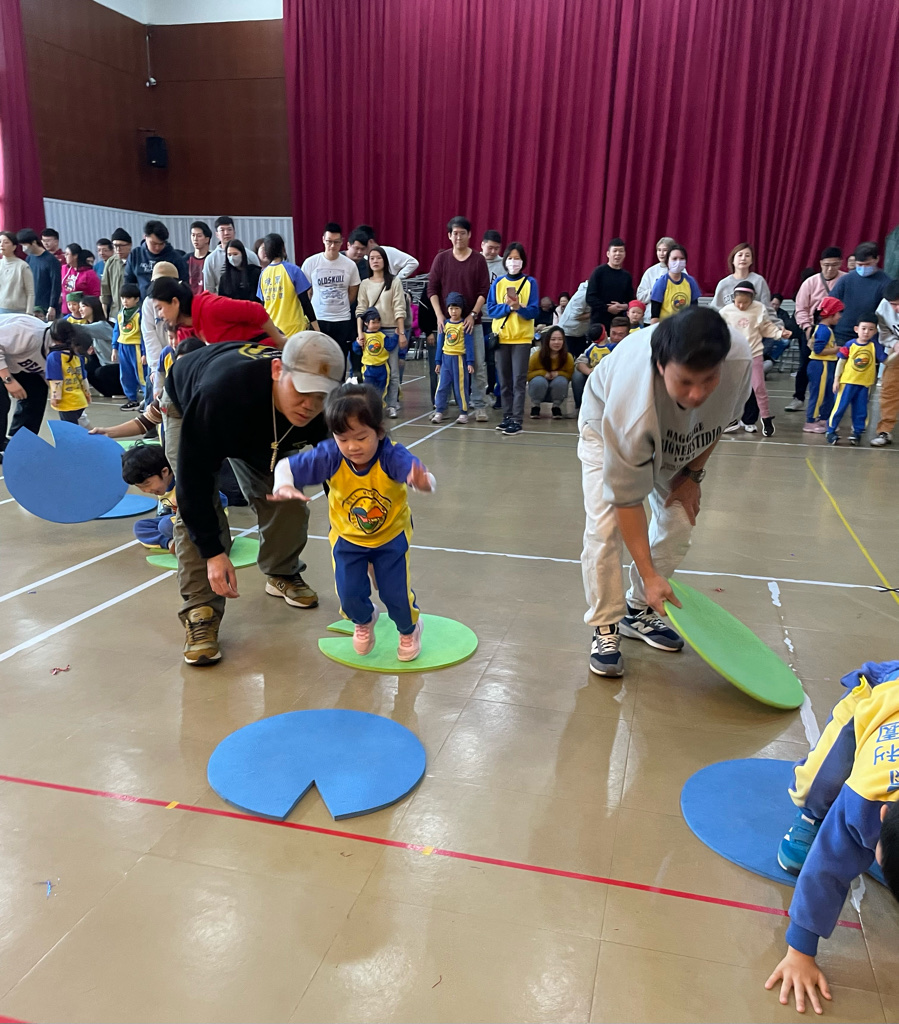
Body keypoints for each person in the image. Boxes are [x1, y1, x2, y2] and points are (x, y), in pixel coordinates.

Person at [579, 306, 751, 677]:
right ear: (661, 366)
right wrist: (649, 572)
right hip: (606, 428)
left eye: (709, 380)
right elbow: (626, 500)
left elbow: (717, 422)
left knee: (680, 521)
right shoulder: (631, 403)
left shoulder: (737, 359)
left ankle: (638, 609)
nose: (698, 393)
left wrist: (692, 476)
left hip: (680, 438)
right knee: (605, 528)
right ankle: (606, 624)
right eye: (685, 382)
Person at [161, 333, 345, 665]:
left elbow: (340, 472)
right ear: (278, 371)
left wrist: (354, 530)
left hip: (269, 430)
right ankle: (200, 612)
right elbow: (193, 484)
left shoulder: (325, 411)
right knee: (196, 512)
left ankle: (281, 571)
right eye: (302, 391)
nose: (310, 405)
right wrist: (214, 553)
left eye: (321, 396)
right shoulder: (219, 396)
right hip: (190, 404)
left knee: (286, 499)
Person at [764, 659, 899, 1015]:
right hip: (879, 694)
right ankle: (810, 815)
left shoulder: (881, 813)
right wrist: (800, 951)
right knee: (820, 781)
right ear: (882, 816)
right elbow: (825, 869)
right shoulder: (863, 800)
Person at [271, 383, 434, 661]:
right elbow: (286, 466)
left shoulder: (391, 455)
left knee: (395, 594)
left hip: (390, 536)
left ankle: (409, 629)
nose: (352, 447)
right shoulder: (331, 455)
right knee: (348, 594)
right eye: (342, 438)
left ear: (379, 431)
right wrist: (283, 485)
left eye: (361, 437)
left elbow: (423, 477)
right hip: (347, 538)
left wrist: (423, 482)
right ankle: (364, 619)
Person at [427, 216, 491, 421]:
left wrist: (473, 314)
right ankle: (442, 406)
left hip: (473, 324)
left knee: (477, 365)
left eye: (462, 233)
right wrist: (439, 315)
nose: (458, 237)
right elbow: (432, 289)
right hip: (447, 325)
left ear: (469, 235)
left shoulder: (478, 260)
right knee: (444, 367)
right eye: (455, 233)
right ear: (449, 235)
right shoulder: (441, 259)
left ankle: (479, 405)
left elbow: (484, 290)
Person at [717, 281, 785, 437]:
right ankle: (731, 420)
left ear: (752, 299)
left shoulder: (759, 309)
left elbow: (766, 327)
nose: (741, 306)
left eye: (745, 302)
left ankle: (765, 418)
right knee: (732, 389)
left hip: (754, 354)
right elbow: (719, 331)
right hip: (734, 357)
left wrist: (779, 333)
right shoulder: (726, 312)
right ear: (733, 299)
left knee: (759, 387)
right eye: (738, 302)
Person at [486, 242, 539, 436]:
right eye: (510, 258)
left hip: (521, 339)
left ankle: (517, 419)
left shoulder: (530, 282)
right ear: (505, 260)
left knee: (518, 380)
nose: (513, 262)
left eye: (517, 259)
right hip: (502, 338)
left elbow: (534, 311)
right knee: (504, 381)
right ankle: (507, 416)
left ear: (523, 261)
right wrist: (508, 307)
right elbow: (491, 309)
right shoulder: (498, 283)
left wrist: (519, 308)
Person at [787, 247, 846, 413]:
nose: (830, 269)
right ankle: (798, 398)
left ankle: (833, 401)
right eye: (826, 265)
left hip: (838, 329)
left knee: (837, 365)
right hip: (814, 328)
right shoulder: (810, 282)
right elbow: (801, 308)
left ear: (840, 263)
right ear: (820, 263)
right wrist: (807, 328)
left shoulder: (846, 280)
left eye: (834, 265)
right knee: (805, 365)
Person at [149, 278, 283, 347]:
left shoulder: (211, 307)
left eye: (160, 308)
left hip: (263, 353)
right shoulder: (182, 333)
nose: (159, 315)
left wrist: (279, 340)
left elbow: (256, 311)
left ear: (175, 302)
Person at [301, 223, 361, 369]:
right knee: (319, 360)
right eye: (329, 241)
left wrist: (340, 305)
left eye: (336, 242)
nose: (332, 246)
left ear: (342, 242)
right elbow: (306, 292)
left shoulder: (350, 265)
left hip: (342, 320)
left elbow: (353, 292)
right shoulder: (311, 263)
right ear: (323, 240)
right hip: (319, 319)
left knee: (339, 361)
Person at [355, 246, 407, 416]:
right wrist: (360, 333)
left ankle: (392, 404)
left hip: (390, 331)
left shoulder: (394, 281)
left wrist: (401, 333)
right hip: (370, 333)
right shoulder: (365, 284)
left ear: (385, 260)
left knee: (393, 371)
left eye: (378, 258)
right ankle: (372, 406)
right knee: (370, 371)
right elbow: (360, 310)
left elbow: (399, 307)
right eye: (372, 258)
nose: (375, 261)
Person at [826, 313, 884, 445]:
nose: (866, 332)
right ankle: (831, 431)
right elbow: (841, 362)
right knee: (839, 407)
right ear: (856, 329)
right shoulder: (850, 345)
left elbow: (885, 360)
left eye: (870, 329)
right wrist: (836, 379)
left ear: (875, 331)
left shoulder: (874, 346)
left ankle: (857, 432)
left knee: (861, 410)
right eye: (864, 328)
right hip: (847, 382)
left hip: (865, 384)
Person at [0, 313, 50, 458]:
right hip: (4, 357)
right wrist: (9, 381)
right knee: (1, 400)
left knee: (37, 390)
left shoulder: (65, 354)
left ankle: (20, 441)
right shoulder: (29, 333)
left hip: (12, 359)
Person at [830, 242, 892, 345]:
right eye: (859, 265)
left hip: (869, 338)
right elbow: (831, 303)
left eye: (867, 264)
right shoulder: (846, 279)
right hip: (841, 335)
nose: (863, 268)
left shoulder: (886, 283)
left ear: (877, 259)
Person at [258, 233, 317, 340]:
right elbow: (305, 303)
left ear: (267, 251)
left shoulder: (263, 275)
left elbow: (263, 306)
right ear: (283, 248)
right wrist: (317, 329)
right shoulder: (293, 270)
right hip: (294, 331)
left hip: (274, 332)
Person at [431, 291, 473, 423]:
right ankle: (439, 410)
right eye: (451, 308)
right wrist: (438, 361)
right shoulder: (445, 324)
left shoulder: (464, 325)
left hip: (459, 359)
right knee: (442, 386)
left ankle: (463, 412)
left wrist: (470, 362)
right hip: (446, 359)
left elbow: (469, 345)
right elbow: (440, 344)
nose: (453, 311)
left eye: (456, 308)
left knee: (460, 387)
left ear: (461, 309)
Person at [803, 296, 843, 433]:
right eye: (838, 313)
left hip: (826, 365)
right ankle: (810, 421)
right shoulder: (823, 330)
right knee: (818, 394)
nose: (840, 316)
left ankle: (824, 418)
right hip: (821, 365)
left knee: (828, 394)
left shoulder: (825, 329)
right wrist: (836, 350)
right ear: (831, 314)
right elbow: (818, 350)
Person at [124, 220, 188, 299]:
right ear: (145, 237)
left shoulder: (175, 258)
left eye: (161, 244)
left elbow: (184, 285)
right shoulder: (135, 255)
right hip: (140, 303)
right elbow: (129, 282)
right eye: (153, 243)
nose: (157, 247)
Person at [45, 318, 90, 424]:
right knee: (76, 425)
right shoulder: (77, 356)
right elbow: (83, 378)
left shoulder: (54, 357)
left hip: (67, 402)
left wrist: (55, 397)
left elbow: (56, 380)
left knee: (70, 428)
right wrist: (87, 394)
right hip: (80, 400)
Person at [711, 243, 777, 315]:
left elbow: (767, 309)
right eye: (740, 255)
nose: (743, 258)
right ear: (733, 260)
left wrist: (775, 322)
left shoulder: (759, 281)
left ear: (751, 261)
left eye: (747, 255)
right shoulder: (723, 284)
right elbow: (715, 310)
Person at [872, 281, 899, 446]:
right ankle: (885, 431)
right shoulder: (883, 308)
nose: (896, 308)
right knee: (889, 390)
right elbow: (884, 333)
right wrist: (894, 343)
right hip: (896, 352)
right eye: (893, 304)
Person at [203, 216, 261, 293]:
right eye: (222, 230)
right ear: (217, 234)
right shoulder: (211, 259)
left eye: (229, 229)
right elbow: (209, 288)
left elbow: (259, 282)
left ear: (234, 232)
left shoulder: (250, 255)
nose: (226, 233)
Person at [586, 238, 634, 330]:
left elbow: (631, 300)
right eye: (615, 251)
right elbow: (590, 298)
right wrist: (607, 308)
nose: (618, 254)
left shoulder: (626, 276)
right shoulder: (599, 272)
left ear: (624, 254)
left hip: (619, 323)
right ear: (608, 254)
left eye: (621, 251)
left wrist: (624, 306)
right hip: (599, 322)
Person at [527, 325, 574, 419]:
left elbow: (570, 375)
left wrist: (558, 374)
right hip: (539, 386)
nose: (557, 342)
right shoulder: (537, 356)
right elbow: (527, 374)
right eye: (553, 339)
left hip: (557, 387)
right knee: (539, 381)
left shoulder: (568, 357)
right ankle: (535, 406)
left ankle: (556, 407)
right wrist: (543, 373)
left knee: (561, 381)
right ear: (547, 341)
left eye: (560, 339)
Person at [112, 283, 146, 411]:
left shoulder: (140, 314)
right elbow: (116, 331)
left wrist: (144, 352)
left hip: (136, 347)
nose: (125, 301)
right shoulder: (120, 314)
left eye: (128, 298)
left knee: (141, 375)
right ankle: (132, 399)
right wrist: (114, 348)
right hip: (123, 346)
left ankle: (148, 400)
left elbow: (144, 334)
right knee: (125, 375)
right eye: (122, 298)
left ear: (136, 299)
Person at [353, 308, 397, 403]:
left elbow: (390, 345)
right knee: (368, 391)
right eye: (373, 322)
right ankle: (368, 406)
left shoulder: (382, 335)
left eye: (378, 322)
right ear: (366, 323)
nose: (376, 325)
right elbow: (356, 350)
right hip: (368, 369)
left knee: (381, 391)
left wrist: (396, 336)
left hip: (382, 368)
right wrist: (357, 344)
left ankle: (378, 406)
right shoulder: (363, 336)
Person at [649, 244, 701, 322]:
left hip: (685, 325)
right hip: (666, 326)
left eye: (681, 259)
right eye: (674, 259)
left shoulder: (691, 281)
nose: (678, 262)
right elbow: (655, 314)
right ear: (667, 262)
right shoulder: (661, 283)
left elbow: (694, 308)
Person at [346, 225, 419, 279]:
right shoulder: (364, 257)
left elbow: (413, 262)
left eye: (363, 247)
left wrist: (397, 278)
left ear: (371, 241)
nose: (360, 251)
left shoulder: (388, 251)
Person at [17, 229, 58, 318]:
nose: (23, 248)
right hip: (32, 305)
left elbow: (56, 285)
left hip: (46, 306)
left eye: (25, 245)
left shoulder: (51, 260)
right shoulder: (29, 258)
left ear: (34, 242)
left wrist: (52, 306)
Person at [572, 323, 614, 410]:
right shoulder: (593, 347)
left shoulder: (617, 345)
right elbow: (579, 361)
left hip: (612, 374)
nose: (616, 337)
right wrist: (590, 372)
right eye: (614, 333)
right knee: (577, 376)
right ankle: (581, 406)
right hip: (594, 374)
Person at [636, 236, 677, 322]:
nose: (661, 253)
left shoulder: (680, 270)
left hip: (672, 318)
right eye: (659, 250)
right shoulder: (651, 271)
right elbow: (640, 296)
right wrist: (656, 291)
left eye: (665, 250)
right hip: (651, 318)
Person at [100, 228, 132, 321]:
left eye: (121, 245)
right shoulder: (111, 262)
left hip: (133, 312)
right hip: (115, 313)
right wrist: (104, 311)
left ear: (130, 245)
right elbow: (105, 288)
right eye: (115, 246)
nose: (118, 249)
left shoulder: (135, 260)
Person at [60, 244, 100, 315]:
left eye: (67, 254)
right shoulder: (64, 269)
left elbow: (96, 293)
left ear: (75, 256)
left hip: (82, 311)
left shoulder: (89, 273)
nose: (65, 256)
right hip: (66, 309)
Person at [0, 232, 34, 316]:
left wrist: (29, 313)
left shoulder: (22, 266)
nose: (1, 245)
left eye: (6, 242)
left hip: (19, 312)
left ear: (14, 247)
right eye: (0, 242)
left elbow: (30, 292)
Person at [558, 279, 591, 357]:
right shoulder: (582, 295)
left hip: (580, 332)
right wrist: (595, 313)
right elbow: (575, 316)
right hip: (568, 332)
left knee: (581, 358)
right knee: (567, 358)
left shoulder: (592, 292)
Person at [188, 221, 213, 295]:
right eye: (193, 235)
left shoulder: (212, 259)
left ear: (207, 239)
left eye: (199, 236)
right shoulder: (185, 259)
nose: (195, 239)